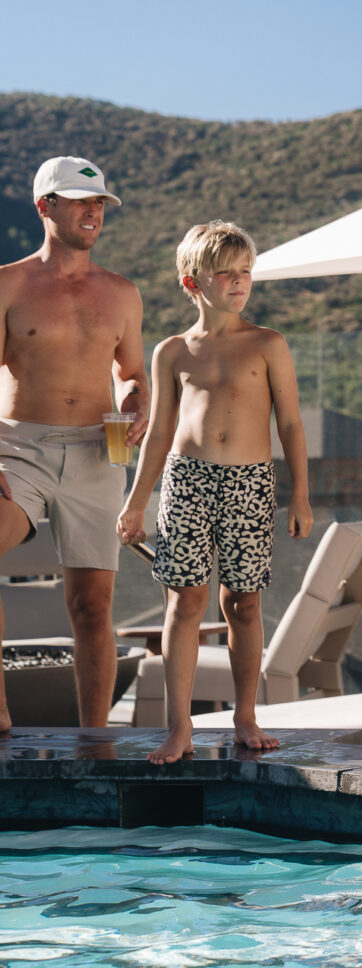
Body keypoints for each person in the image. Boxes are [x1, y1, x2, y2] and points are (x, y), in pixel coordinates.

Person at [116, 221, 313, 764]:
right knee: (184, 602)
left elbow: (292, 424)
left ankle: (245, 716)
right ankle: (179, 729)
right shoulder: (173, 351)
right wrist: (137, 502)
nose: (238, 281)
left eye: (245, 271)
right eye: (224, 272)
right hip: (187, 479)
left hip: (251, 481)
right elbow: (159, 433)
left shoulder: (269, 343)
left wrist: (300, 495)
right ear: (191, 282)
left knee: (243, 603)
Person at [0, 157, 150, 732]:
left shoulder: (121, 293)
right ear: (45, 207)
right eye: (79, 201)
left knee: (92, 609)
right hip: (19, 450)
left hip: (97, 451)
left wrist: (138, 398)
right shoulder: (8, 284)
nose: (93, 212)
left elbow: (132, 372)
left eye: (99, 204)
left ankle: (97, 741)